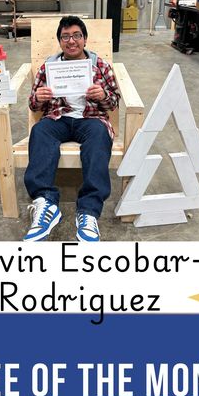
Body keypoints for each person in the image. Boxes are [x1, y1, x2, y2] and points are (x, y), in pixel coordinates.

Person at [24, 15, 120, 242]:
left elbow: (114, 102)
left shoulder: (100, 65)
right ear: (60, 42)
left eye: (77, 35)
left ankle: (88, 212)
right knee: (39, 131)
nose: (71, 41)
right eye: (65, 37)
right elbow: (33, 104)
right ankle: (46, 203)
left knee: (99, 136)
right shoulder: (49, 66)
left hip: (91, 119)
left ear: (85, 39)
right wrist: (38, 97)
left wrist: (103, 95)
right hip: (58, 118)